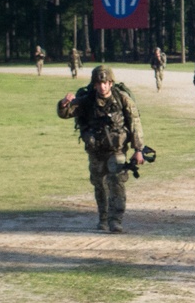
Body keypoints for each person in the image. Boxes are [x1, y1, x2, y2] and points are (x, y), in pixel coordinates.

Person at [57, 65, 145, 233]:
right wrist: (63, 104)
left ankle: (115, 220)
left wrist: (138, 149)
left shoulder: (122, 99)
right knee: (99, 184)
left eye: (105, 83)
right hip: (96, 151)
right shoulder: (87, 100)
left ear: (111, 83)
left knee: (116, 182)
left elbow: (135, 124)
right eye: (99, 83)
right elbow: (66, 113)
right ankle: (103, 218)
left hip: (117, 150)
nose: (102, 86)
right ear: (95, 85)